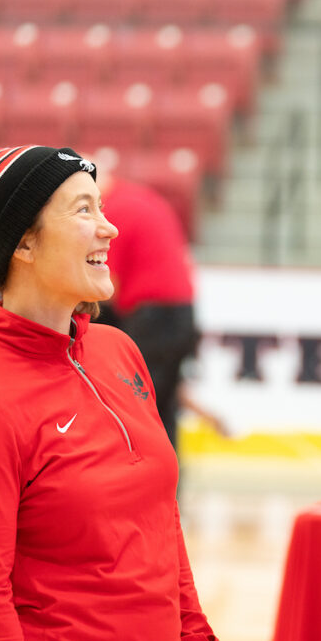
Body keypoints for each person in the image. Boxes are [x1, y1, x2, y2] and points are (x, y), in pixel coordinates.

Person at [0, 144, 221, 641]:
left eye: (102, 206)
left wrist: (198, 637)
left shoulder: (120, 351)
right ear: (24, 244)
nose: (110, 228)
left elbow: (162, 524)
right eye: (84, 210)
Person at [92, 171, 199, 451]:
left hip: (153, 316)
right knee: (161, 407)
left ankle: (138, 472)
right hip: (180, 312)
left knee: (134, 406)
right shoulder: (141, 199)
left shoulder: (115, 210)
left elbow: (107, 284)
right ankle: (167, 476)